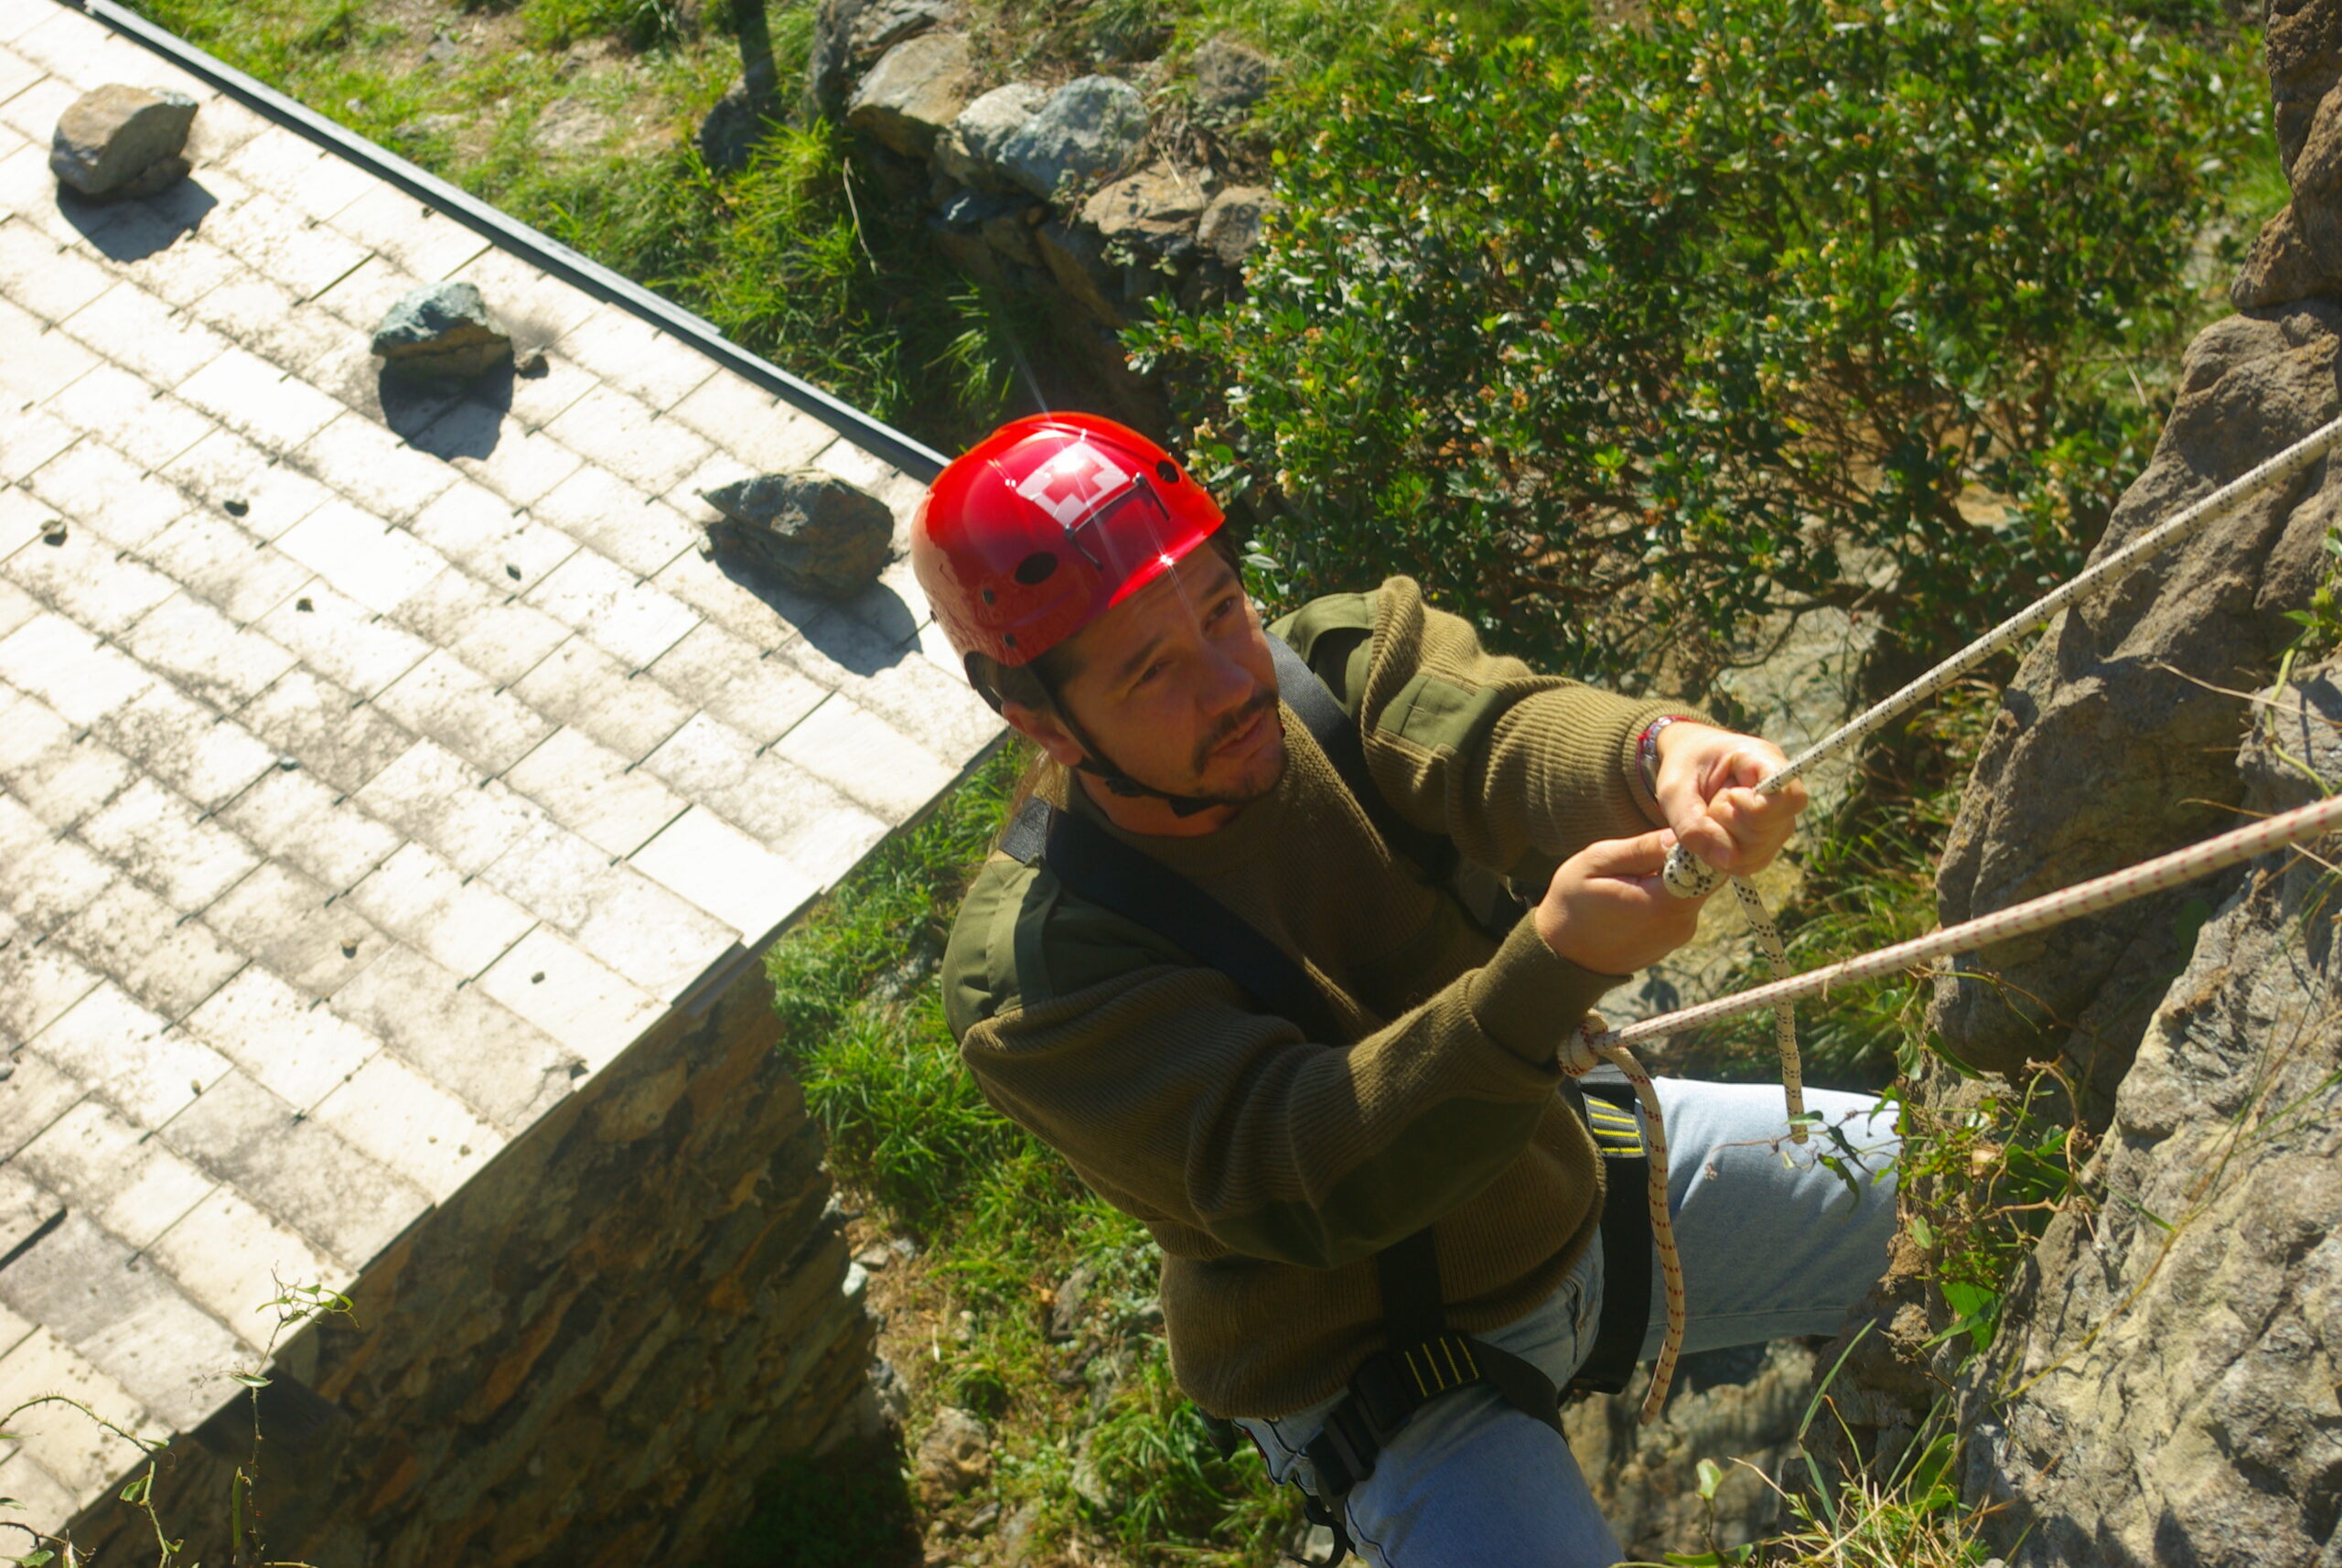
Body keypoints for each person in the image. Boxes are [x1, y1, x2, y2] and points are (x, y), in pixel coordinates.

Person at [914, 413, 1898, 1566]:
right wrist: (1548, 971)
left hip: (1569, 1171)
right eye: (1152, 668)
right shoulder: (1036, 983)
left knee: (1959, 1184)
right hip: (1383, 1364)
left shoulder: (1331, 672)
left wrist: (1657, 755)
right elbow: (1307, 1169)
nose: (1232, 679)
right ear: (1035, 718)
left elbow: (1494, 732)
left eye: (1221, 609)